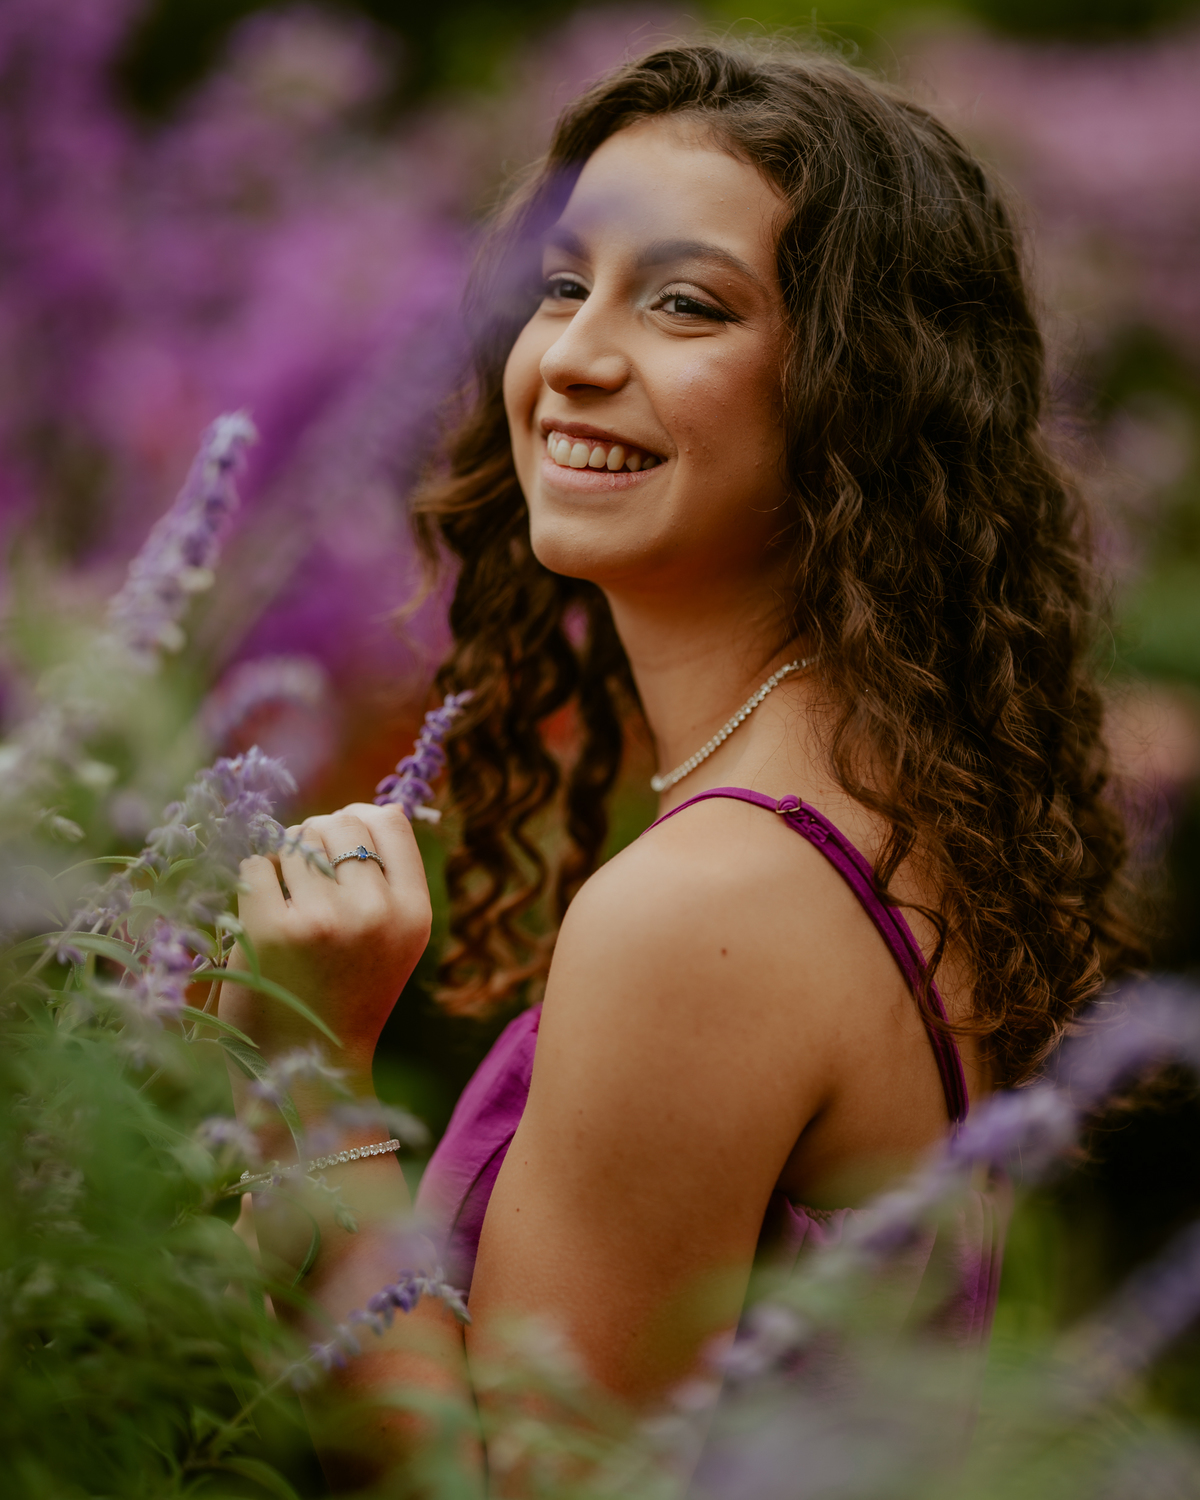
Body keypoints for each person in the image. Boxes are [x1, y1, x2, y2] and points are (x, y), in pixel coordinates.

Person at [220, 40, 1138, 1490]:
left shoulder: (705, 909)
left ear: (857, 395)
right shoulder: (877, 816)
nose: (577, 353)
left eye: (687, 304)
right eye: (562, 284)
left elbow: (504, 1482)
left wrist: (313, 1072)